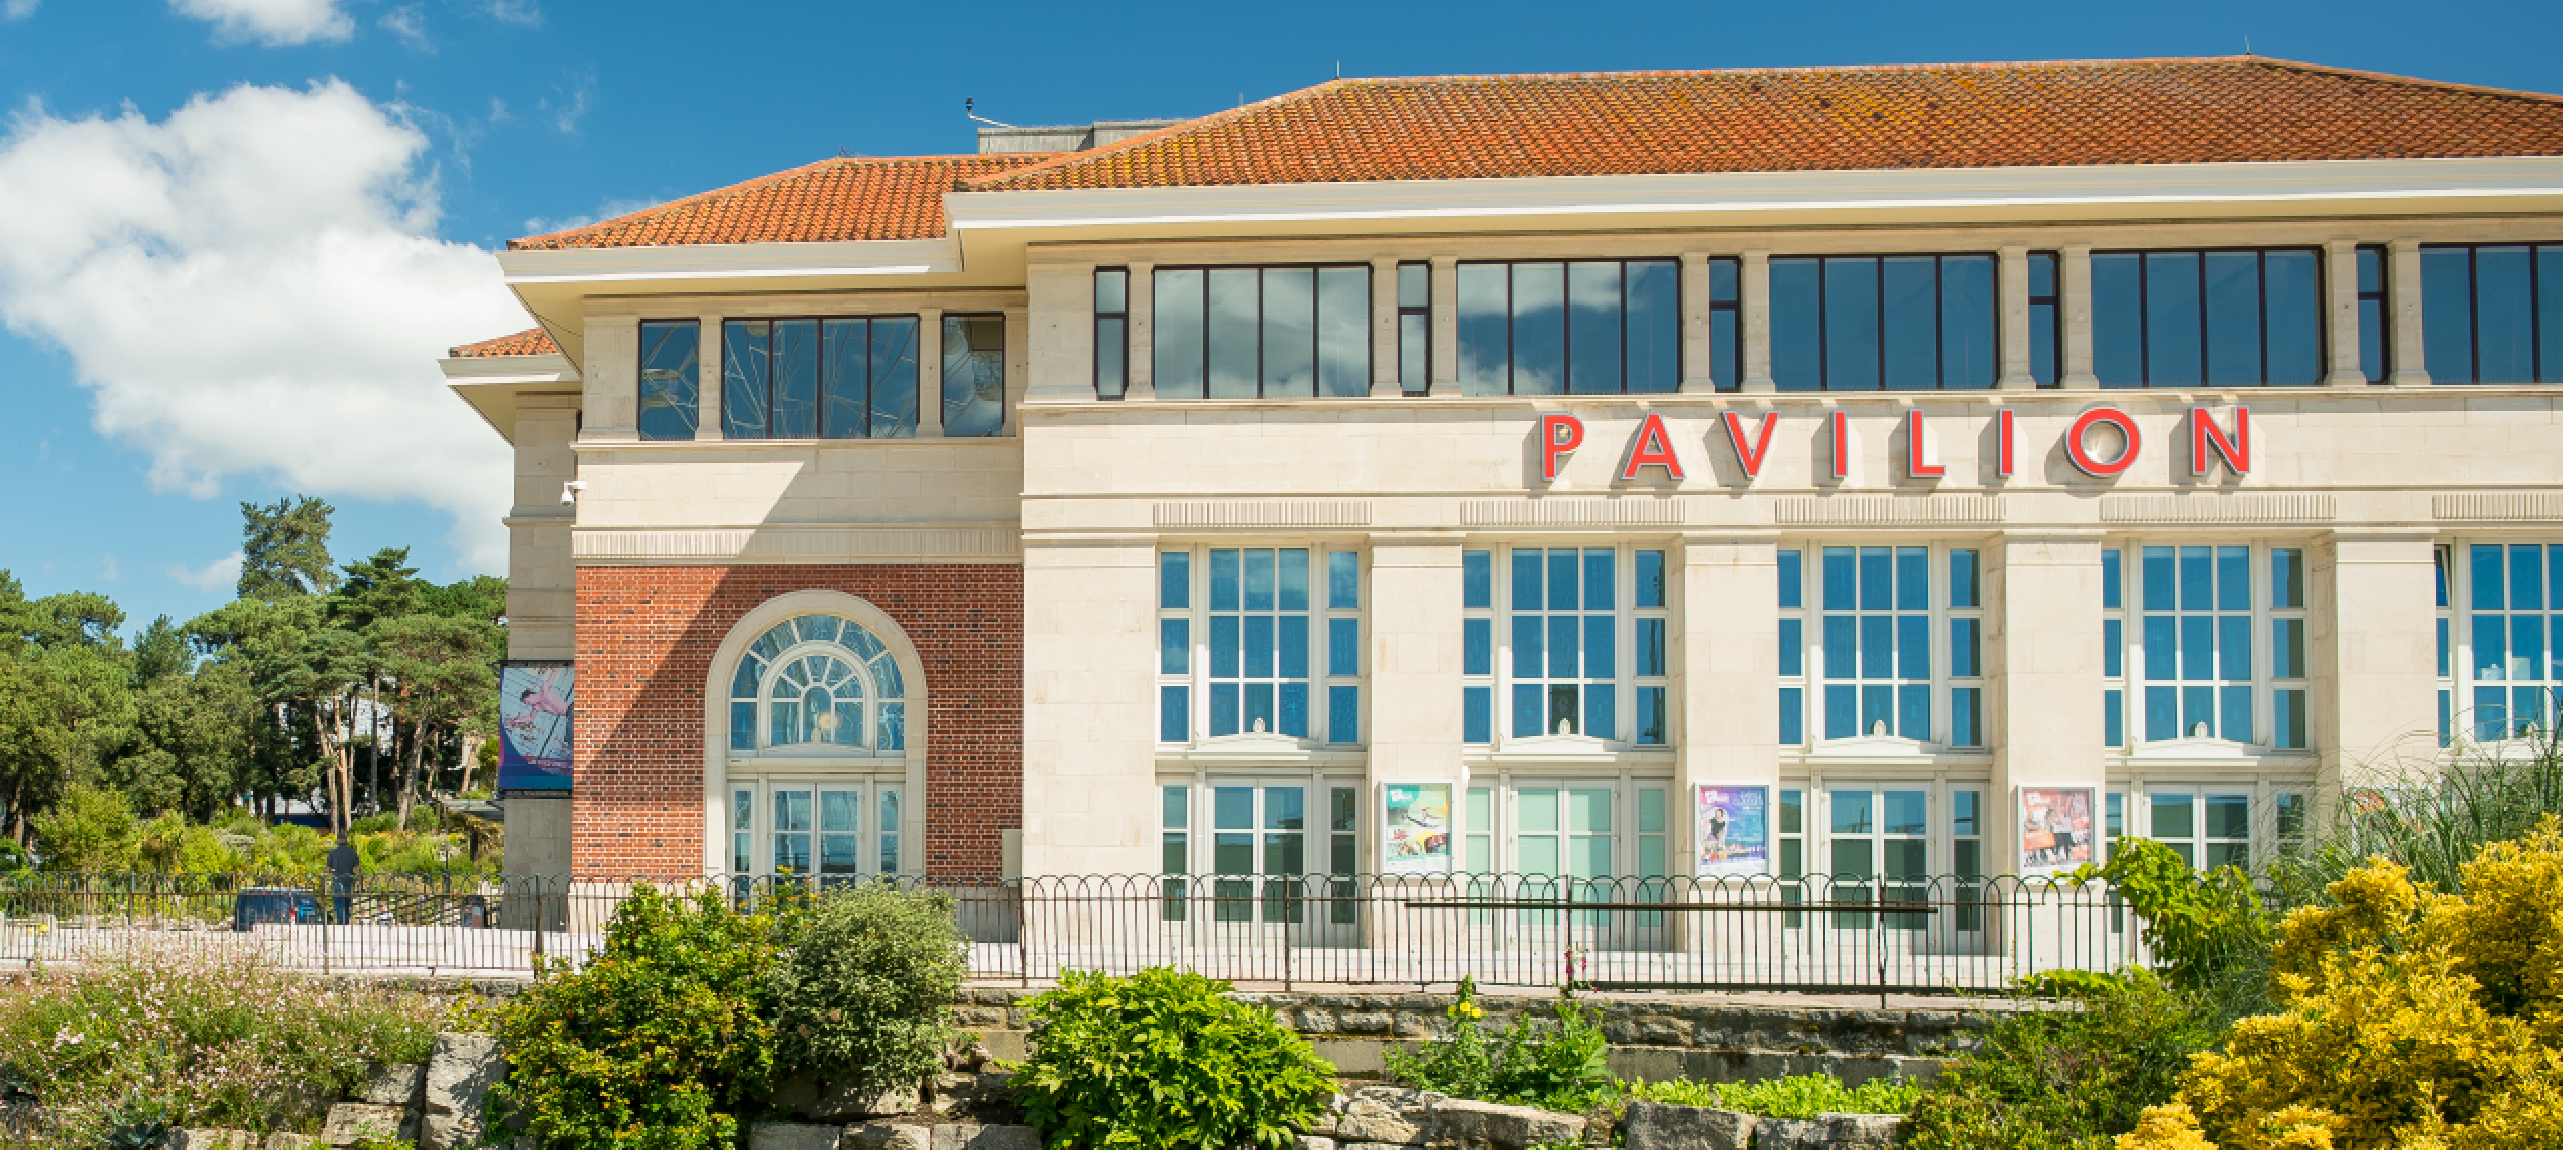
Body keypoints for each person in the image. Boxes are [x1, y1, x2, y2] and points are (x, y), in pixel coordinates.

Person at [327, 832, 360, 925]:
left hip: (337, 880)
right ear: (346, 842)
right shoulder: (353, 853)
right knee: (347, 903)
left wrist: (331, 874)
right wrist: (360, 882)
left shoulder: (332, 853)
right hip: (348, 881)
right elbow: (358, 869)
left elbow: (328, 870)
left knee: (338, 903)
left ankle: (341, 924)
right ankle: (345, 923)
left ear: (337, 842)